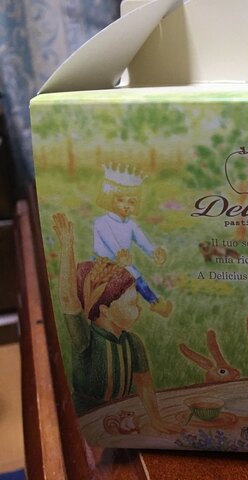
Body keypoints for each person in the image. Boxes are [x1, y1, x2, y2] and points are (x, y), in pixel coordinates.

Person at [53, 212, 179, 433]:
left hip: (123, 417)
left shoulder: (133, 343)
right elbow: (67, 299)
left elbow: (145, 386)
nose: (139, 309)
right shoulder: (86, 339)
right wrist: (67, 247)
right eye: (133, 304)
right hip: (87, 421)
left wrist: (156, 420)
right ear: (105, 310)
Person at [94, 164, 172, 317]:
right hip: (103, 264)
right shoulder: (102, 222)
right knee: (131, 274)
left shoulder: (130, 224)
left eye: (131, 202)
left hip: (124, 263)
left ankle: (155, 304)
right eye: (121, 200)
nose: (126, 206)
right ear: (109, 199)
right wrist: (121, 257)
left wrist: (154, 252)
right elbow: (112, 243)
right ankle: (151, 302)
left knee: (133, 274)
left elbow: (143, 242)